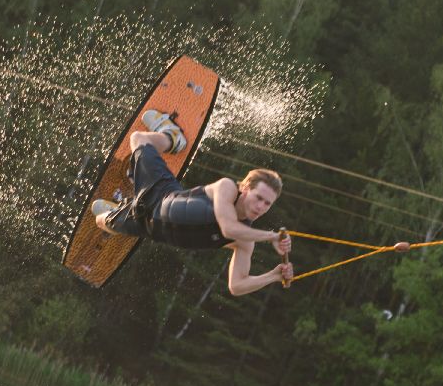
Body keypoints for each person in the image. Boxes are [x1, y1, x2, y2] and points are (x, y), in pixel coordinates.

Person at [92, 111, 293, 296]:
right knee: (138, 139)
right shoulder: (227, 188)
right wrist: (271, 237)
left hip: (146, 224)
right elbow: (228, 227)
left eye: (267, 204)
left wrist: (273, 276)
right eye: (259, 198)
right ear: (246, 188)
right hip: (160, 193)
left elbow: (236, 286)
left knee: (100, 221)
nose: (261, 207)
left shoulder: (246, 241)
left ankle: (125, 204)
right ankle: (171, 137)